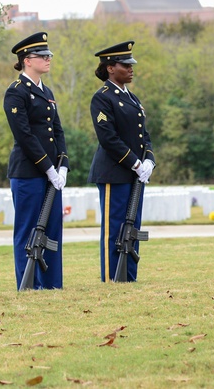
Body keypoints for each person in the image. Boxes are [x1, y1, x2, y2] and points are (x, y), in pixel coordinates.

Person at [3, 31, 69, 290]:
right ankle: (28, 284)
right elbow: (24, 134)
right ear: (27, 60)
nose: (48, 59)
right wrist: (48, 166)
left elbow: (58, 130)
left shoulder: (47, 91)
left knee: (52, 229)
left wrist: (63, 163)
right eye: (43, 56)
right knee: (28, 230)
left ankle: (52, 284)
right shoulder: (16, 91)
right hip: (29, 171)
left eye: (49, 55)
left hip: (52, 172)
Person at [88, 40, 155, 282]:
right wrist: (136, 163)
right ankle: (111, 278)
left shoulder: (133, 98)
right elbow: (108, 137)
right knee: (115, 229)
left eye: (131, 64)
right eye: (124, 64)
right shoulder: (103, 97)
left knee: (132, 227)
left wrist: (149, 160)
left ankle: (129, 276)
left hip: (135, 174)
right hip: (114, 172)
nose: (130, 68)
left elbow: (143, 135)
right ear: (110, 68)